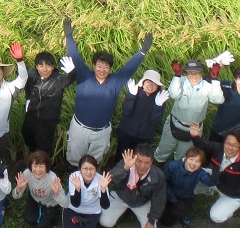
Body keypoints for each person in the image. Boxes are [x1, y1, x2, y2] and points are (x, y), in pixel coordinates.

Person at [63, 17, 152, 166]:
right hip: (79, 129)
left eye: (106, 67)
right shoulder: (84, 76)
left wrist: (142, 52)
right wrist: (69, 36)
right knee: (74, 159)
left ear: (110, 68)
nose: (102, 69)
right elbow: (75, 56)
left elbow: (129, 68)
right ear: (93, 66)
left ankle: (92, 186)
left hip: (101, 133)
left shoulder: (116, 82)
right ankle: (72, 182)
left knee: (94, 162)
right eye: (99, 65)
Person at [101, 145, 168, 228]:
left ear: (152, 162)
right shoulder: (127, 163)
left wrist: (152, 220)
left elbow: (159, 199)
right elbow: (111, 178)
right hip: (121, 197)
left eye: (147, 163)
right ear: (134, 158)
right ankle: (123, 210)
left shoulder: (158, 176)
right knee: (105, 221)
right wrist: (126, 168)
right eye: (139, 161)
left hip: (140, 203)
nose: (142, 166)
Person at [154, 55, 229, 163]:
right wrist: (177, 76)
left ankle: (176, 176)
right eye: (190, 73)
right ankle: (154, 172)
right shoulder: (181, 81)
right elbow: (173, 94)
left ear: (201, 73)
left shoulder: (207, 86)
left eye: (196, 73)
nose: (193, 76)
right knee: (162, 152)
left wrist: (215, 78)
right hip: (173, 125)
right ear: (185, 73)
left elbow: (218, 99)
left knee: (183, 157)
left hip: (193, 130)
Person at [189, 121, 240, 223]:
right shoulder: (218, 148)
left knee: (216, 217)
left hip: (232, 194)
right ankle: (206, 190)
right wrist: (195, 136)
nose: (230, 148)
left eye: (235, 145)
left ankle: (232, 206)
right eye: (228, 143)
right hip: (216, 181)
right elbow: (203, 145)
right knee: (188, 165)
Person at [12, 151, 67, 228]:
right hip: (35, 200)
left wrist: (57, 193)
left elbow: (66, 203)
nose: (37, 170)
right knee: (28, 218)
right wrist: (19, 188)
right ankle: (43, 221)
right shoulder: (27, 173)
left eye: (41, 166)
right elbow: (16, 196)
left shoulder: (52, 178)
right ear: (30, 166)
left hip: (50, 204)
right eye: (35, 166)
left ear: (47, 167)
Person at [20, 51, 76, 159]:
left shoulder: (58, 80)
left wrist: (73, 72)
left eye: (48, 65)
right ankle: (32, 163)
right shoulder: (32, 76)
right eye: (41, 66)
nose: (44, 69)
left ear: (53, 66)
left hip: (47, 122)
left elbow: (71, 78)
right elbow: (27, 86)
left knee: (43, 150)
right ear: (36, 67)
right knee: (27, 136)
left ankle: (44, 168)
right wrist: (28, 99)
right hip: (31, 116)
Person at [63, 155, 112, 228]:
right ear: (80, 169)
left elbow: (105, 205)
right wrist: (78, 189)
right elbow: (75, 203)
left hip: (92, 212)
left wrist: (104, 189)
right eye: (85, 168)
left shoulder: (101, 180)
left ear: (96, 169)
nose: (88, 172)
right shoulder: (74, 177)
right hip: (73, 210)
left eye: (92, 169)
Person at [115, 70, 169, 156]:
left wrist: (158, 105)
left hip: (145, 138)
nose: (151, 85)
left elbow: (155, 120)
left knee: (138, 161)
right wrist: (131, 95)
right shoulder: (134, 92)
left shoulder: (160, 98)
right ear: (143, 83)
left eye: (154, 83)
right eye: (148, 81)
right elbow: (126, 111)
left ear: (158, 86)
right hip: (126, 133)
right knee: (121, 158)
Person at [161, 147, 214, 228]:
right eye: (191, 159)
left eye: (197, 161)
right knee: (167, 221)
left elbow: (208, 181)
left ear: (200, 165)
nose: (193, 163)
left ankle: (185, 214)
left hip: (186, 197)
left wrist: (216, 176)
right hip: (169, 194)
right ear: (185, 158)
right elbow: (164, 183)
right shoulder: (172, 166)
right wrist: (173, 200)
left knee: (178, 213)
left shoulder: (200, 172)